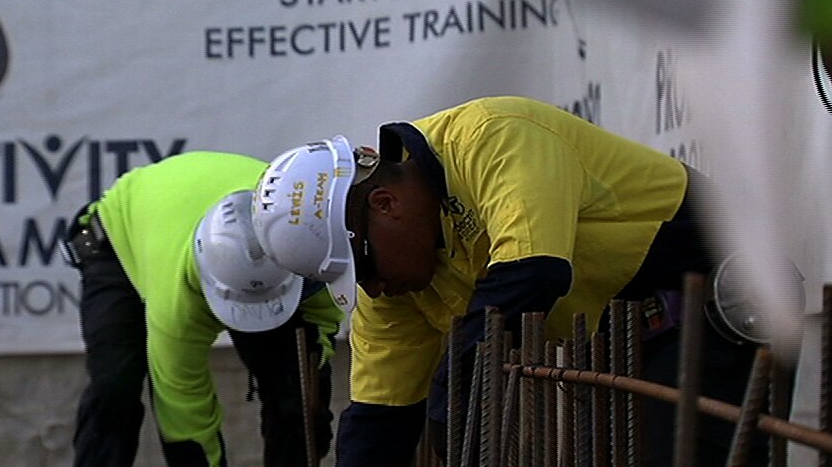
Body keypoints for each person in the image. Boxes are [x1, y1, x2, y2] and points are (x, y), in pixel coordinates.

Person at [254, 96, 800, 467]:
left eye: (364, 268)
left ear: (385, 203)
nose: (372, 290)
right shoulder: (397, 284)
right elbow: (378, 420)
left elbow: (532, 272)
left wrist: (449, 398)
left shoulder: (492, 137)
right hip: (624, 346)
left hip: (716, 305)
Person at [61, 150, 354, 467]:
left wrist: (307, 382)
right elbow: (183, 409)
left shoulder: (305, 248)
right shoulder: (175, 299)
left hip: (253, 247)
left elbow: (318, 329)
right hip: (119, 239)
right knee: (114, 389)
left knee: (296, 392)